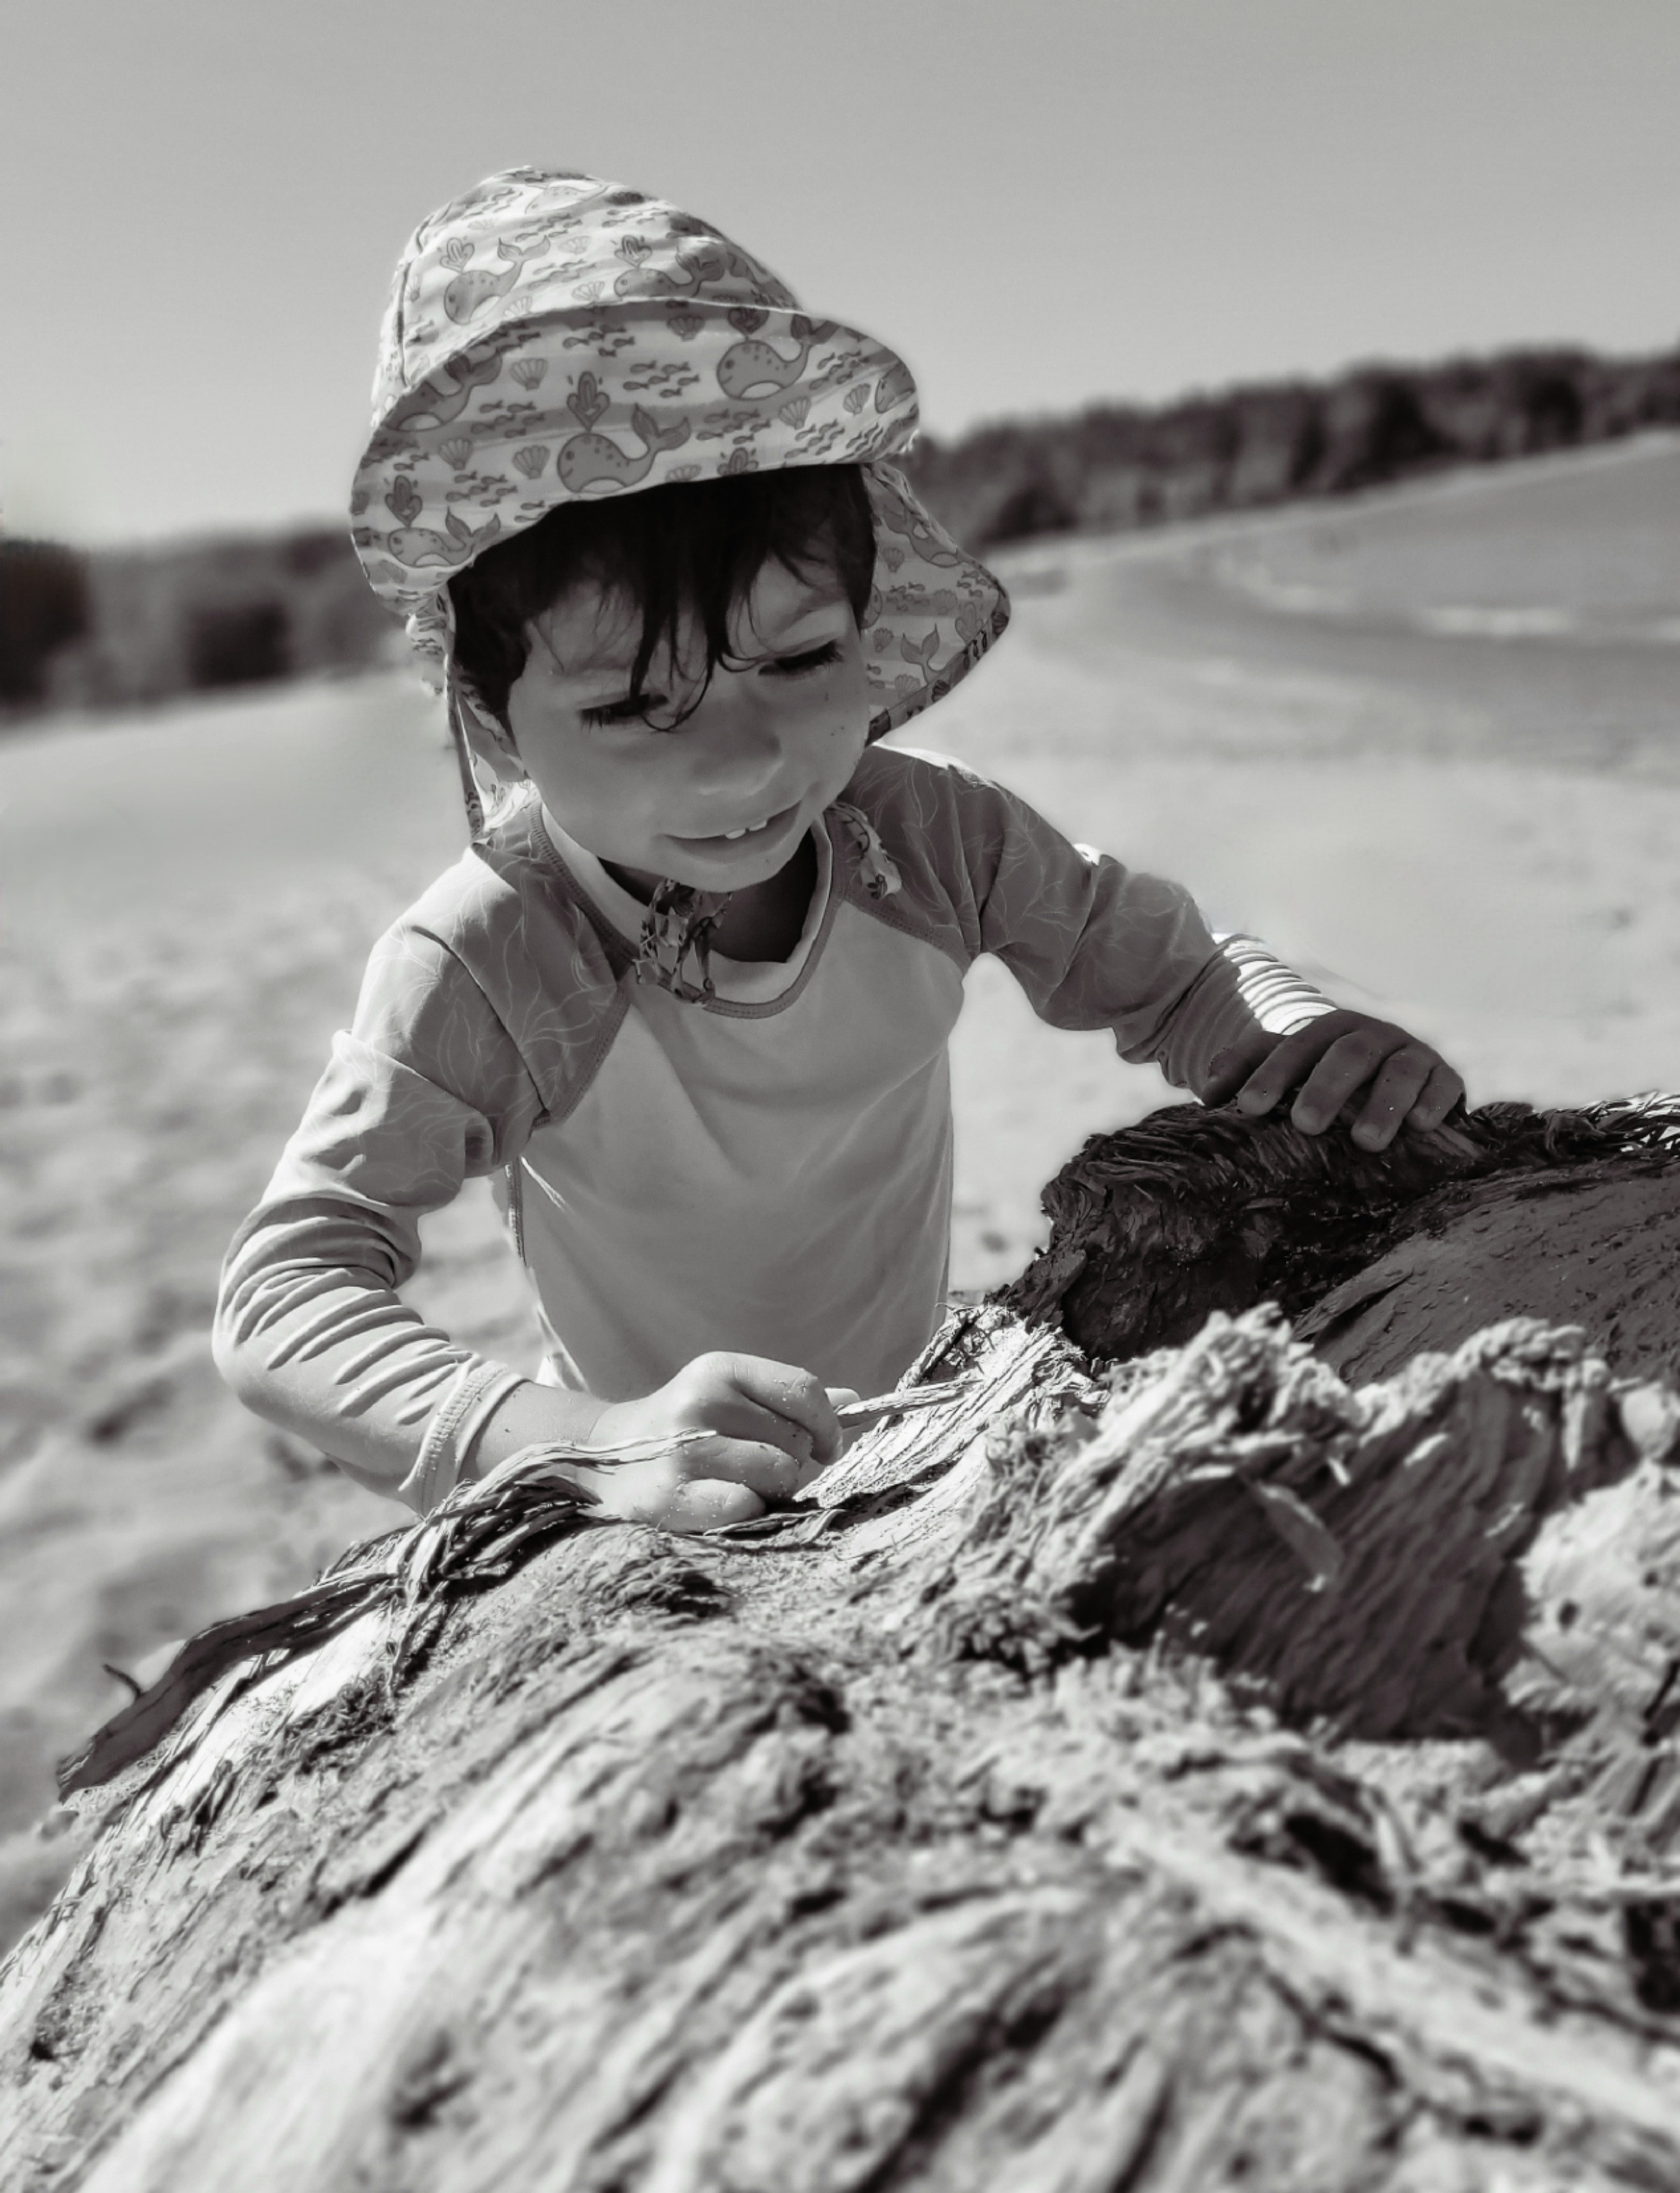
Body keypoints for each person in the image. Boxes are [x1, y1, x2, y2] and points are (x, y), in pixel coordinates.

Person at [213, 167, 1464, 1533]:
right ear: (492, 723)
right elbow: (284, 1298)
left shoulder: (921, 839)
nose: (745, 759)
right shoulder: (495, 958)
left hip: (925, 1418)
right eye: (633, 704)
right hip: (663, 1486)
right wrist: (582, 1443)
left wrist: (1300, 1038)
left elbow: (1175, 980)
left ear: (868, 628)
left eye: (799, 657)